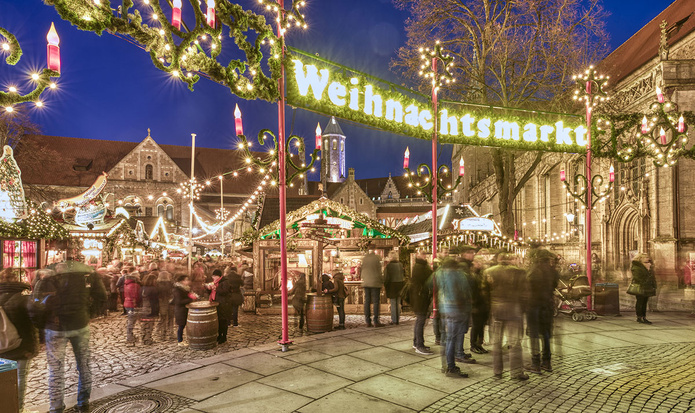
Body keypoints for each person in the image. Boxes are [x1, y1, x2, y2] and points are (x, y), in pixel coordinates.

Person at [37, 262, 107, 413]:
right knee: (84, 365)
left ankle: (56, 407)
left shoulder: (48, 279)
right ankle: (83, 402)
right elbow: (101, 296)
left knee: (56, 370)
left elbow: (36, 303)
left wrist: (43, 323)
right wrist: (89, 313)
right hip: (79, 324)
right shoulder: (85, 277)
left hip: (56, 327)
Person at [0, 269, 39, 413]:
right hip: (21, 347)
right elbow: (35, 319)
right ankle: (18, 409)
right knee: (20, 379)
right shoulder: (22, 299)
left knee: (3, 381)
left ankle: (5, 408)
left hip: (1, 347)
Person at [486, 253, 529, 381]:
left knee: (497, 342)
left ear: (499, 259)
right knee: (514, 343)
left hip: (496, 309)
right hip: (514, 309)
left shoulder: (489, 272)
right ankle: (516, 373)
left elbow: (485, 291)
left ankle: (497, 371)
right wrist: (523, 308)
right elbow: (525, 293)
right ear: (511, 260)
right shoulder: (520, 273)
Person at [434, 257, 471, 378]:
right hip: (456, 309)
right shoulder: (458, 274)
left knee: (446, 338)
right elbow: (465, 291)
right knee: (452, 338)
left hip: (444, 309)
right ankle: (451, 367)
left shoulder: (439, 273)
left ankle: (445, 365)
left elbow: (429, 285)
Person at [525, 249, 559, 373]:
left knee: (534, 334)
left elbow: (527, 286)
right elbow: (554, 285)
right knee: (545, 333)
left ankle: (535, 362)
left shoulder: (533, 270)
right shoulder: (552, 271)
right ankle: (547, 361)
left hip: (534, 305)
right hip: (547, 304)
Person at [411, 251, 433, 355]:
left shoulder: (421, 266)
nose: (425, 256)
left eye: (425, 254)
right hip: (421, 297)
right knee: (421, 320)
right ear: (418, 255)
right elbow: (425, 280)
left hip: (420, 297)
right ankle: (419, 345)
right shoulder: (420, 267)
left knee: (420, 320)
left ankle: (417, 342)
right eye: (423, 254)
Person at [469, 255, 490, 354]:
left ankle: (479, 344)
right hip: (477, 304)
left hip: (483, 304)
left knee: (481, 326)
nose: (481, 264)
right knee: (476, 326)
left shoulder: (482, 274)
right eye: (479, 262)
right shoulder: (472, 275)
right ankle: (473, 345)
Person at [360, 246, 385, 327]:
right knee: (376, 302)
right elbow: (379, 271)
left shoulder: (364, 258)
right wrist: (381, 281)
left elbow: (361, 270)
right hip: (375, 282)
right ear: (375, 250)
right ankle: (376, 321)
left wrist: (363, 278)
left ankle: (367, 321)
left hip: (366, 282)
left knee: (367, 301)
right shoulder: (377, 258)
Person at [631, 253, 657, 324]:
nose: (648, 258)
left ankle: (643, 317)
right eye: (646, 257)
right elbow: (638, 278)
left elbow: (652, 277)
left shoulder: (648, 266)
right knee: (640, 302)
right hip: (640, 286)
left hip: (647, 286)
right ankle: (639, 317)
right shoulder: (636, 267)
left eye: (648, 257)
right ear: (641, 258)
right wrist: (648, 271)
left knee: (645, 302)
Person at [173, 274, 198, 346]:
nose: (188, 281)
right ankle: (180, 341)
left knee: (184, 325)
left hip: (185, 309)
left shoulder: (185, 288)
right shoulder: (177, 289)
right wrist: (190, 299)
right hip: (180, 310)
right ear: (182, 281)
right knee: (181, 326)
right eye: (186, 280)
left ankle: (184, 339)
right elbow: (179, 301)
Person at [208, 269, 232, 343]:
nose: (213, 277)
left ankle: (224, 336)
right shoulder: (215, 282)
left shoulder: (225, 282)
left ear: (218, 276)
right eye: (213, 276)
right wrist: (209, 289)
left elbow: (225, 292)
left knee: (223, 320)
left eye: (214, 276)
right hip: (216, 303)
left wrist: (216, 288)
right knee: (218, 320)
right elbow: (212, 293)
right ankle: (219, 335)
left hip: (223, 304)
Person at [384, 251, 405, 325]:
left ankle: (394, 320)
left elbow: (386, 277)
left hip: (392, 285)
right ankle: (398, 319)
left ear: (391, 257)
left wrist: (385, 284)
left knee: (393, 303)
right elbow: (403, 275)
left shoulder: (389, 266)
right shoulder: (400, 264)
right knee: (398, 302)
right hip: (400, 284)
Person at [123, 271, 142, 346]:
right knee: (131, 322)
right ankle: (130, 337)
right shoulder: (135, 285)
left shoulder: (127, 283)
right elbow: (136, 296)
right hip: (132, 305)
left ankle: (131, 336)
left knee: (131, 321)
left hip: (127, 303)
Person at [140, 273, 159, 345]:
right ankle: (148, 339)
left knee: (144, 324)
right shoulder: (153, 289)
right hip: (150, 308)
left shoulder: (142, 288)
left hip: (143, 308)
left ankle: (143, 338)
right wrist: (156, 312)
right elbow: (155, 301)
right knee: (150, 325)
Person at [156, 268, 175, 341]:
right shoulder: (171, 283)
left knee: (163, 318)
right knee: (170, 318)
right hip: (170, 302)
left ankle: (162, 334)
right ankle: (171, 333)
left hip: (162, 303)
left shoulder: (157, 284)